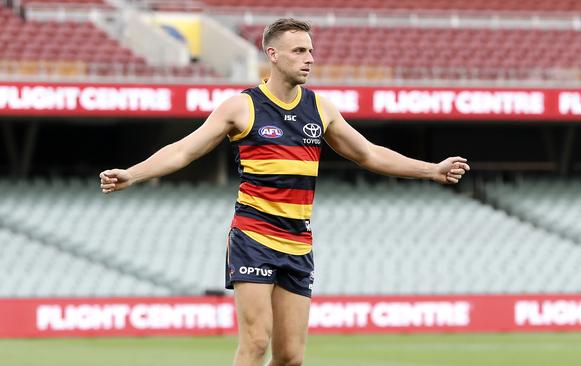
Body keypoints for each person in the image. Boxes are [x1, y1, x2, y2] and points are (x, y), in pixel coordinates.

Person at [99, 18, 470, 366]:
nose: (309, 59)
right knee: (256, 343)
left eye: (310, 51)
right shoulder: (242, 107)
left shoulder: (320, 109)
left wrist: (431, 170)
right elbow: (184, 149)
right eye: (299, 51)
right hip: (253, 237)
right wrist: (133, 174)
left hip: (298, 243)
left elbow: (368, 153)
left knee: (291, 356)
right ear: (272, 55)